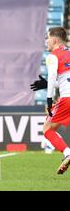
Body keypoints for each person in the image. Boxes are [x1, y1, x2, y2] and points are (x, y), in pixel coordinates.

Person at [30, 27, 70, 174]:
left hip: (67, 98)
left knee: (47, 129)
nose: (46, 41)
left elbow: (53, 76)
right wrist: (47, 84)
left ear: (54, 39)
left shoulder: (53, 56)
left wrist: (48, 99)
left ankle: (67, 152)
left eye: (47, 38)